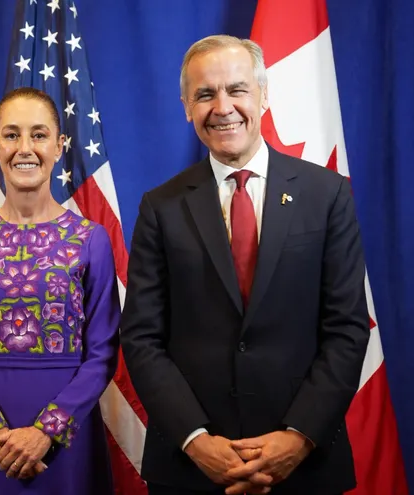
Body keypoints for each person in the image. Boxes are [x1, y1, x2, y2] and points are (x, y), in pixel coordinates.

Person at [120, 35, 370, 495]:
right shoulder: (160, 207)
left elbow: (348, 329)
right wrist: (196, 442)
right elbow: (141, 338)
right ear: (186, 106)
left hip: (304, 465)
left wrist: (297, 438)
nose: (222, 107)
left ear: (263, 95)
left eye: (237, 89)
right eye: (204, 94)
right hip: (190, 468)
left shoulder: (327, 195)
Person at [0, 87, 121, 494]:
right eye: (11, 134)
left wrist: (47, 431)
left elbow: (104, 351)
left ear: (60, 146)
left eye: (39, 135)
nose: (25, 148)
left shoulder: (90, 240)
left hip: (65, 436)